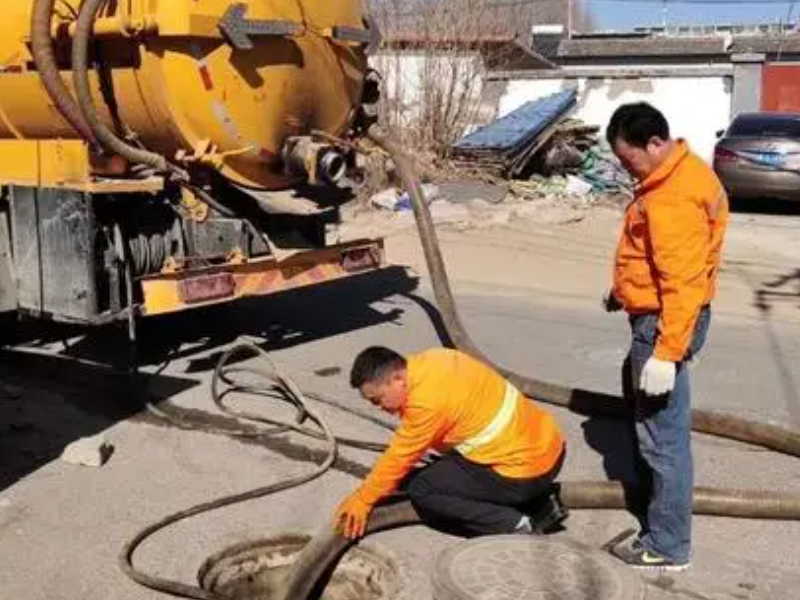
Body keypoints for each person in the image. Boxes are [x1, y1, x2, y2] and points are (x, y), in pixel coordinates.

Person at [603, 102, 729, 571]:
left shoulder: (673, 196)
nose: (625, 168)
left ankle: (668, 544)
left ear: (655, 144)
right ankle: (654, 509)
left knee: (662, 437)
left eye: (628, 159)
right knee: (651, 419)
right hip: (661, 313)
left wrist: (665, 353)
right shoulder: (678, 175)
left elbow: (682, 282)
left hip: (665, 323)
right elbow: (655, 260)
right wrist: (623, 291)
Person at [334, 346, 567, 540]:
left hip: (525, 474)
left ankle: (516, 524)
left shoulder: (426, 403)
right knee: (437, 469)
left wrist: (363, 499)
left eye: (378, 399)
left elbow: (399, 457)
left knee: (422, 489)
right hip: (550, 447)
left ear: (397, 379)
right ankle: (538, 501)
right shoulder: (436, 359)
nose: (379, 407)